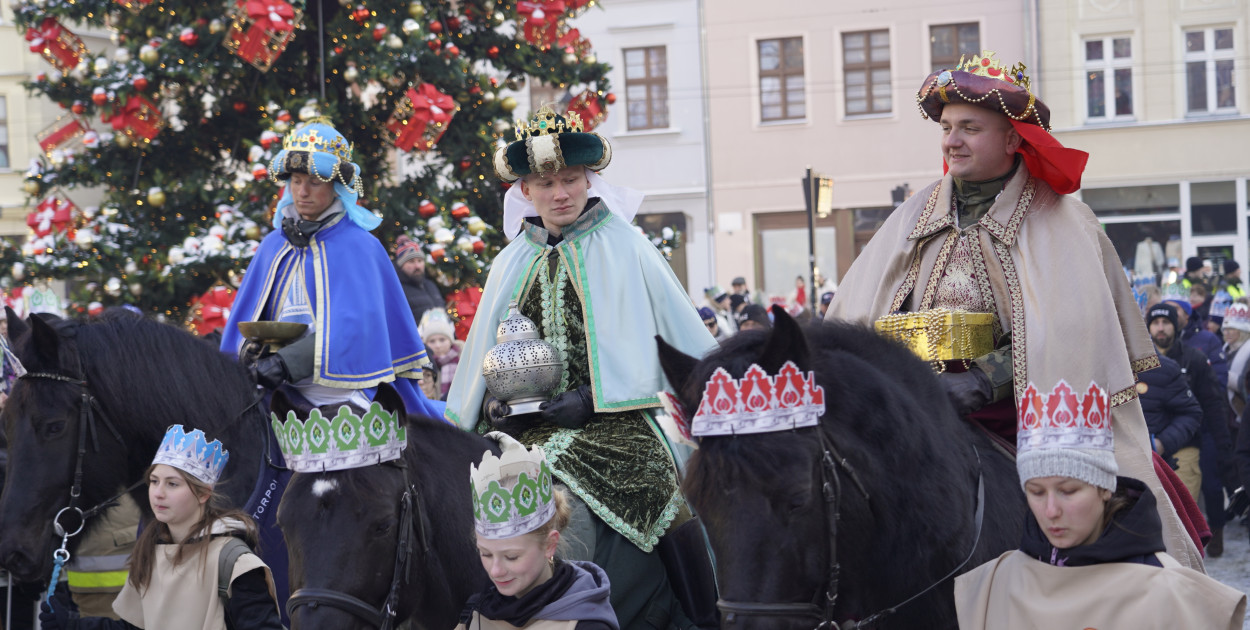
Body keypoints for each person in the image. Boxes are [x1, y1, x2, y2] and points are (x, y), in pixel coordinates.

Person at [825, 50, 1202, 567]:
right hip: (921, 409)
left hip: (1031, 415)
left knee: (1115, 526)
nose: (952, 141)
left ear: (1011, 138)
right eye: (947, 127)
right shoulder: (910, 216)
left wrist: (982, 380)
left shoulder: (1063, 220)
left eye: (970, 128)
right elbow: (858, 316)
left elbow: (1074, 331)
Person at [446, 106, 717, 630]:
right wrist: (498, 406)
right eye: (546, 183)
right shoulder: (510, 261)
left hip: (617, 421)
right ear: (526, 189)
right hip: (526, 430)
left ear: (588, 179)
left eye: (570, 179)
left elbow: (677, 344)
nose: (561, 193)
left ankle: (707, 615)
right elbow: (487, 361)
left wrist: (593, 398)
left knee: (660, 493)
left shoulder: (626, 245)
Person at [954, 379, 1246, 629]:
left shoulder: (1168, 592)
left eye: (1068, 491)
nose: (1051, 511)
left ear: (1105, 488)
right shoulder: (993, 584)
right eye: (1036, 492)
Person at [219, 119, 443, 418]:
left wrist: (289, 362)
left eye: (314, 182)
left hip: (345, 385)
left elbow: (359, 329)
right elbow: (245, 320)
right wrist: (250, 357)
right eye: (296, 181)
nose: (302, 192)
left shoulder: (360, 246)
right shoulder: (273, 245)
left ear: (336, 187)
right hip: (273, 384)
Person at [39, 425, 282, 630]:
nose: (158, 493)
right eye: (154, 481)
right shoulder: (151, 548)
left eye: (173, 484)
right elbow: (135, 627)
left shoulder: (233, 561)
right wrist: (71, 624)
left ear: (203, 494)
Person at [458, 436, 619, 630]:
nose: (495, 571)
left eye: (511, 556)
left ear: (550, 545)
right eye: (486, 554)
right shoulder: (475, 612)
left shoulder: (586, 625)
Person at [1137, 352, 1202, 490]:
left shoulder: (1161, 367)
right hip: (1101, 472)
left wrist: (1161, 443)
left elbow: (1191, 412)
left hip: (1152, 472)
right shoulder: (1091, 363)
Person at [395, 234, 446, 326]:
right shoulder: (398, 290)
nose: (417, 266)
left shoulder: (430, 285)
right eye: (411, 261)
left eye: (420, 261)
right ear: (401, 265)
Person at [419, 308, 461, 399]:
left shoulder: (462, 359)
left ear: (450, 340)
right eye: (432, 341)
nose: (438, 345)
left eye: (442, 340)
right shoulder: (426, 365)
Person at [1223, 303, 1250, 415]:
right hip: (1224, 411)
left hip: (1241, 413)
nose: (1227, 332)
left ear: (1243, 331)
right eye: (1225, 329)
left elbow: (1246, 385)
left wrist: (1222, 375)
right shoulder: (1223, 349)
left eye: (1232, 329)